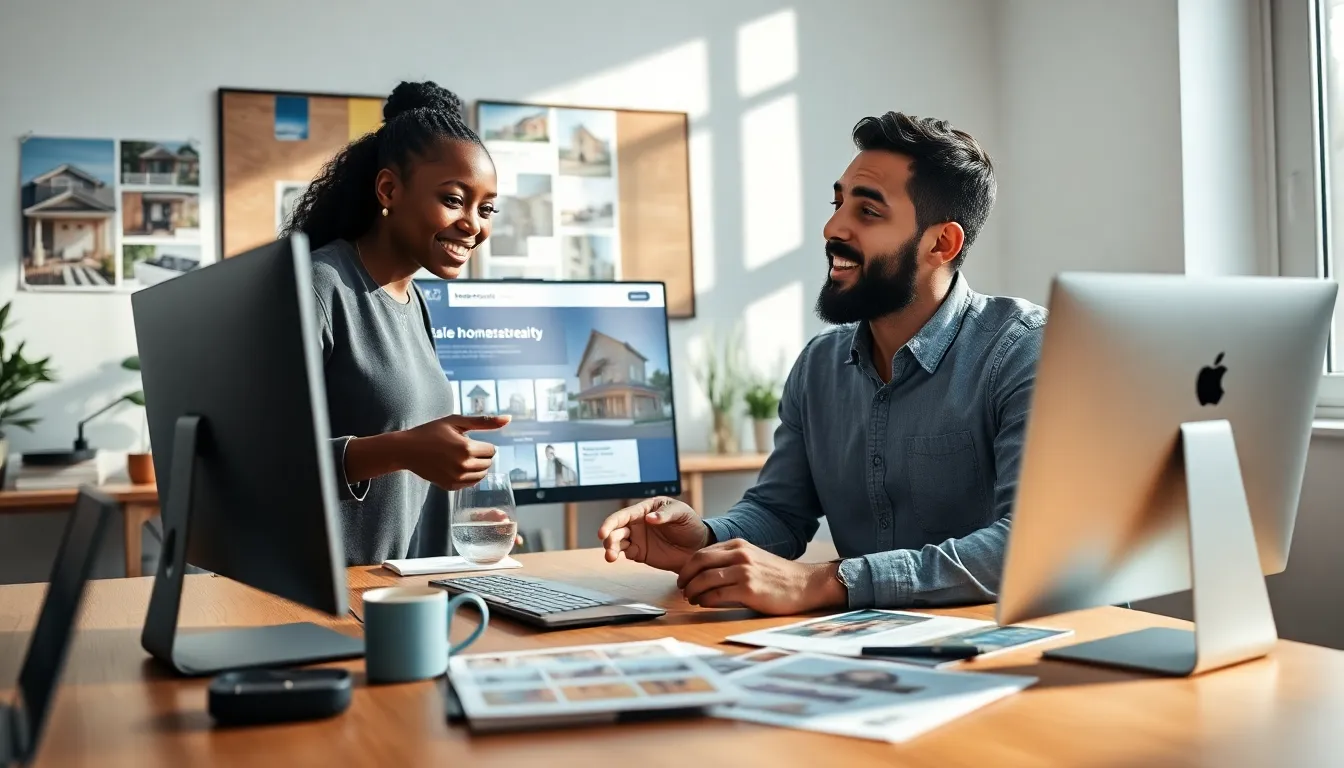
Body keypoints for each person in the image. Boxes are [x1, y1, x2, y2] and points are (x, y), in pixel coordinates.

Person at [598, 111, 1046, 614]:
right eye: (837, 204)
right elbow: (780, 514)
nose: (833, 227)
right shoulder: (819, 366)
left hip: (1000, 646)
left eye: (869, 212)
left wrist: (825, 582)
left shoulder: (1023, 351)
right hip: (865, 648)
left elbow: (1030, 546)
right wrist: (700, 538)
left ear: (941, 243)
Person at [282, 81, 511, 565]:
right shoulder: (317, 285)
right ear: (389, 189)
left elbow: (408, 472)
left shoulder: (415, 299)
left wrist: (460, 526)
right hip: (337, 600)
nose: (474, 224)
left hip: (414, 585)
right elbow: (260, 464)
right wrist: (403, 450)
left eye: (486, 208)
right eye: (454, 199)